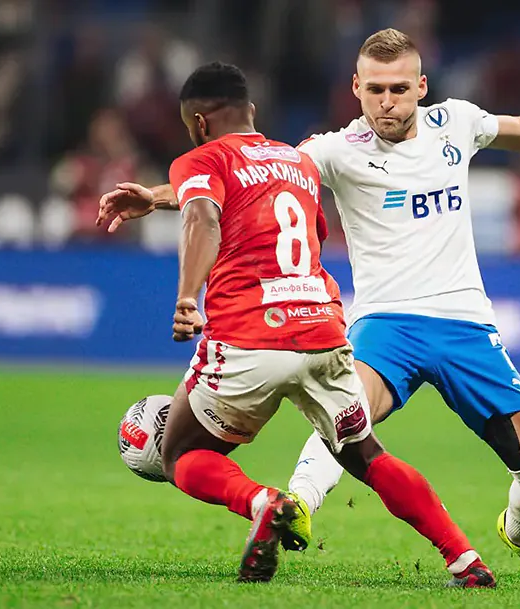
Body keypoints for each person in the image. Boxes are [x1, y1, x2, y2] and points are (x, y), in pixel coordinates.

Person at [98, 30, 520, 579]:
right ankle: (297, 506)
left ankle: (519, 530)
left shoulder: (457, 123)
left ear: (421, 88)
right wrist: (158, 197)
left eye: (399, 89)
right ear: (356, 88)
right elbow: (248, 180)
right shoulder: (334, 150)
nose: (387, 102)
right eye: (376, 90)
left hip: (465, 324)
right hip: (386, 323)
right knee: (345, 426)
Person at [142, 61, 495, 587]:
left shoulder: (202, 157)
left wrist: (188, 297)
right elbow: (306, 233)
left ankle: (262, 502)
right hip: (322, 331)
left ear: (197, 123)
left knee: (182, 453)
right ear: (251, 111)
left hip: (249, 336)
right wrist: (155, 198)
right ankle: (466, 559)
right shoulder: (298, 163)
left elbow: (202, 215)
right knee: (366, 455)